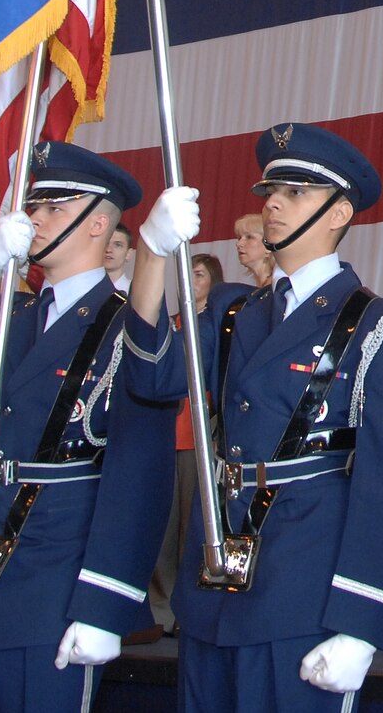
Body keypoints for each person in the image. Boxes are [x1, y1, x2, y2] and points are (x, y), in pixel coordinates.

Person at [121, 124, 383, 711]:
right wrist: (152, 255)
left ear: (340, 212)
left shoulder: (379, 325)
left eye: (298, 193)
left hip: (303, 593)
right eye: (272, 191)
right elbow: (151, 377)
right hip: (215, 585)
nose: (275, 204)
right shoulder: (237, 313)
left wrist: (361, 621)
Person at [0, 141, 184, 711]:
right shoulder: (12, 314)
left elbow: (141, 475)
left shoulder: (128, 326)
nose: (33, 219)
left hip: (55, 586)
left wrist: (106, 604)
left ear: (97, 224)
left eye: (54, 208)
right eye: (34, 206)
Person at [146, 252, 227, 634]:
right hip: (163, 439)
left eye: (198, 274)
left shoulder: (221, 325)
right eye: (186, 274)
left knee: (195, 529)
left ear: (214, 282)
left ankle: (190, 610)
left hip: (201, 441)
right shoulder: (172, 323)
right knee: (162, 529)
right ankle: (162, 608)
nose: (190, 281)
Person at [233, 213, 271, 287]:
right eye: (239, 238)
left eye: (249, 237)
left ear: (268, 245)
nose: (239, 244)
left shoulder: (278, 287)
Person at [104, 225, 135, 289]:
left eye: (118, 245)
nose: (108, 250)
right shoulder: (80, 289)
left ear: (128, 253)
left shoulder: (135, 294)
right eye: (105, 243)